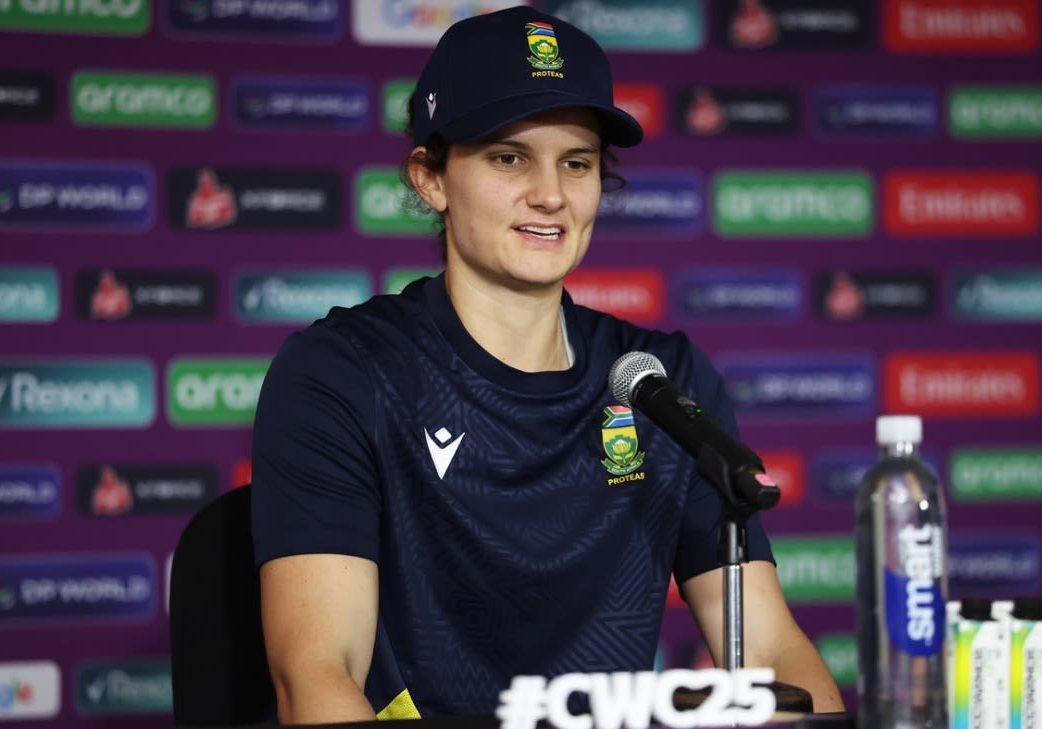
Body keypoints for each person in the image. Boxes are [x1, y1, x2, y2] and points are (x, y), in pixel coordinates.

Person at [251, 6, 844, 723]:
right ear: (431, 178)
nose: (552, 194)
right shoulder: (346, 372)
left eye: (577, 162)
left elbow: (772, 653)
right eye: (509, 157)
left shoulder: (661, 382)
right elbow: (318, 676)